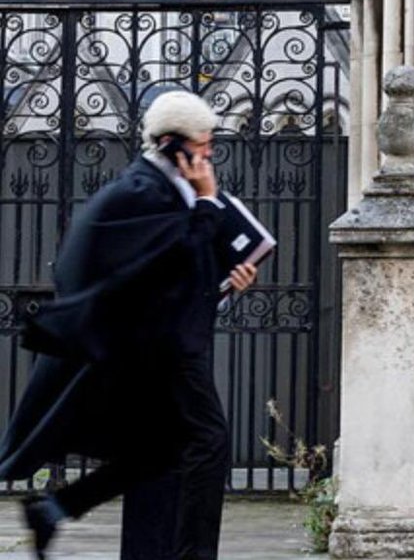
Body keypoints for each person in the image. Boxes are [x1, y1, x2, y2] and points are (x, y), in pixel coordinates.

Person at [0, 90, 257, 560]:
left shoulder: (159, 189)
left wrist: (228, 280)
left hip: (159, 344)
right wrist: (207, 202)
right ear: (172, 145)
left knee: (158, 454)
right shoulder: (143, 191)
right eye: (203, 144)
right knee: (207, 442)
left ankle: (54, 509)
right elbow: (167, 261)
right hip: (157, 350)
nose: (210, 154)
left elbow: (176, 269)